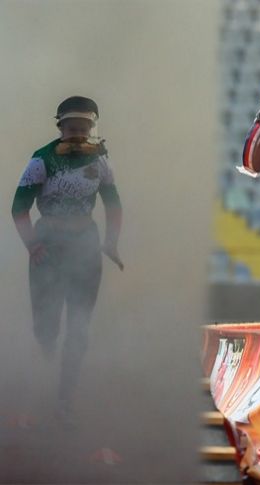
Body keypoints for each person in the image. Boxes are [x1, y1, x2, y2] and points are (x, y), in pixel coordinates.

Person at [11, 96, 123, 423]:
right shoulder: (41, 160)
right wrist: (32, 245)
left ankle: (65, 399)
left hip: (85, 246)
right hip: (48, 248)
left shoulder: (101, 160)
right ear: (60, 126)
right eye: (72, 127)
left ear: (92, 128)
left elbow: (113, 205)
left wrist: (110, 243)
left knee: (79, 327)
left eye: (84, 127)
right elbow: (19, 209)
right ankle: (41, 377)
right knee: (46, 326)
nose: (78, 133)